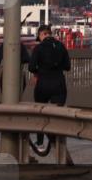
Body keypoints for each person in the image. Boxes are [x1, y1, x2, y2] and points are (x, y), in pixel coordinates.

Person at [28, 24, 71, 153]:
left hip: (43, 84)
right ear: (50, 34)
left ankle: (40, 142)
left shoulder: (38, 48)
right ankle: (58, 143)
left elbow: (31, 67)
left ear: (42, 35)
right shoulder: (61, 46)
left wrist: (39, 72)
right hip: (59, 84)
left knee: (40, 113)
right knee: (57, 115)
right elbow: (67, 67)